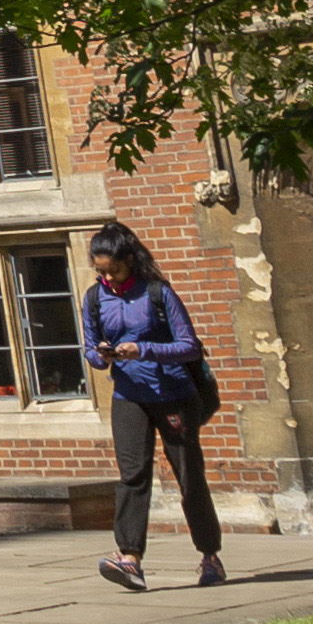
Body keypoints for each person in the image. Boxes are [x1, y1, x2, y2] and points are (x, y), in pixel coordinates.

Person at [78, 219, 227, 590]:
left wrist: (143, 349)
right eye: (101, 271)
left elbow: (189, 346)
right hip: (129, 396)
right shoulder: (95, 298)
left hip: (173, 395)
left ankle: (210, 557)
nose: (108, 277)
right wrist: (101, 356)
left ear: (131, 260)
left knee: (189, 477)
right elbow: (89, 346)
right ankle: (130, 559)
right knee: (132, 476)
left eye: (115, 269)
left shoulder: (159, 293)